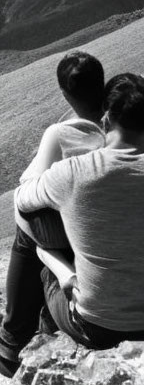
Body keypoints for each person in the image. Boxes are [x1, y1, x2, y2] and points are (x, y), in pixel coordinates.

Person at [0, 50, 107, 376]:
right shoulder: (122, 126)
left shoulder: (60, 133)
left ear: (65, 93)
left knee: (28, 228)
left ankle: (10, 339)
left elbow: (30, 188)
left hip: (94, 295)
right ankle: (45, 320)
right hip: (108, 232)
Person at [16, 72, 144, 350]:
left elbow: (22, 199)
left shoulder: (73, 173)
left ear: (106, 120)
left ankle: (15, 340)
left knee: (32, 225)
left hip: (98, 327)